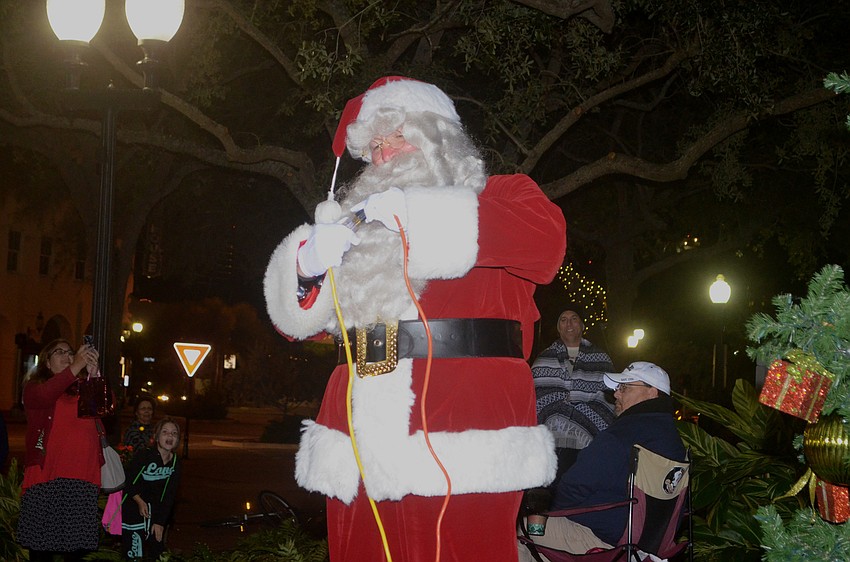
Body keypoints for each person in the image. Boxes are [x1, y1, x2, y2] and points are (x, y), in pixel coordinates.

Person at [264, 76, 566, 561]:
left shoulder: (503, 195)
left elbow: (546, 245)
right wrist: (305, 267)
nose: (384, 155)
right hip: (356, 434)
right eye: (376, 146)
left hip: (462, 431)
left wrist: (416, 216)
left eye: (397, 136)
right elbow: (297, 325)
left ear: (438, 135)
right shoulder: (353, 229)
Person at [518, 361, 687, 560]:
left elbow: (573, 486)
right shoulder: (675, 443)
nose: (616, 394)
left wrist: (550, 510)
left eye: (624, 387)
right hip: (651, 547)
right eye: (617, 388)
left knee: (521, 532)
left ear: (652, 392)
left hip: (606, 542)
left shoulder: (622, 435)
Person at [17, 338, 102, 561]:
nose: (67, 356)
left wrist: (94, 373)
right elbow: (46, 395)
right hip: (46, 476)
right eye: (59, 352)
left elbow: (103, 409)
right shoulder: (35, 388)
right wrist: (75, 367)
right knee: (41, 550)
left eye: (70, 352)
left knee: (74, 552)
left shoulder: (82, 387)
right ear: (46, 361)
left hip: (82, 477)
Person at [532, 308, 615, 479]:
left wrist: (574, 411)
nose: (569, 323)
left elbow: (609, 398)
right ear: (558, 328)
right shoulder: (544, 359)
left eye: (574, 318)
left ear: (582, 325)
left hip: (590, 439)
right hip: (552, 441)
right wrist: (566, 406)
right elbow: (535, 397)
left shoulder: (601, 358)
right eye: (563, 320)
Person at [122, 417, 182, 560]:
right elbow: (129, 482)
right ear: (156, 436)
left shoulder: (175, 463)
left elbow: (170, 495)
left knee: (157, 551)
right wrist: (139, 500)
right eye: (165, 432)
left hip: (156, 513)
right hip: (134, 511)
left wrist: (160, 521)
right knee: (135, 554)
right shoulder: (144, 455)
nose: (170, 436)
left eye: (174, 433)